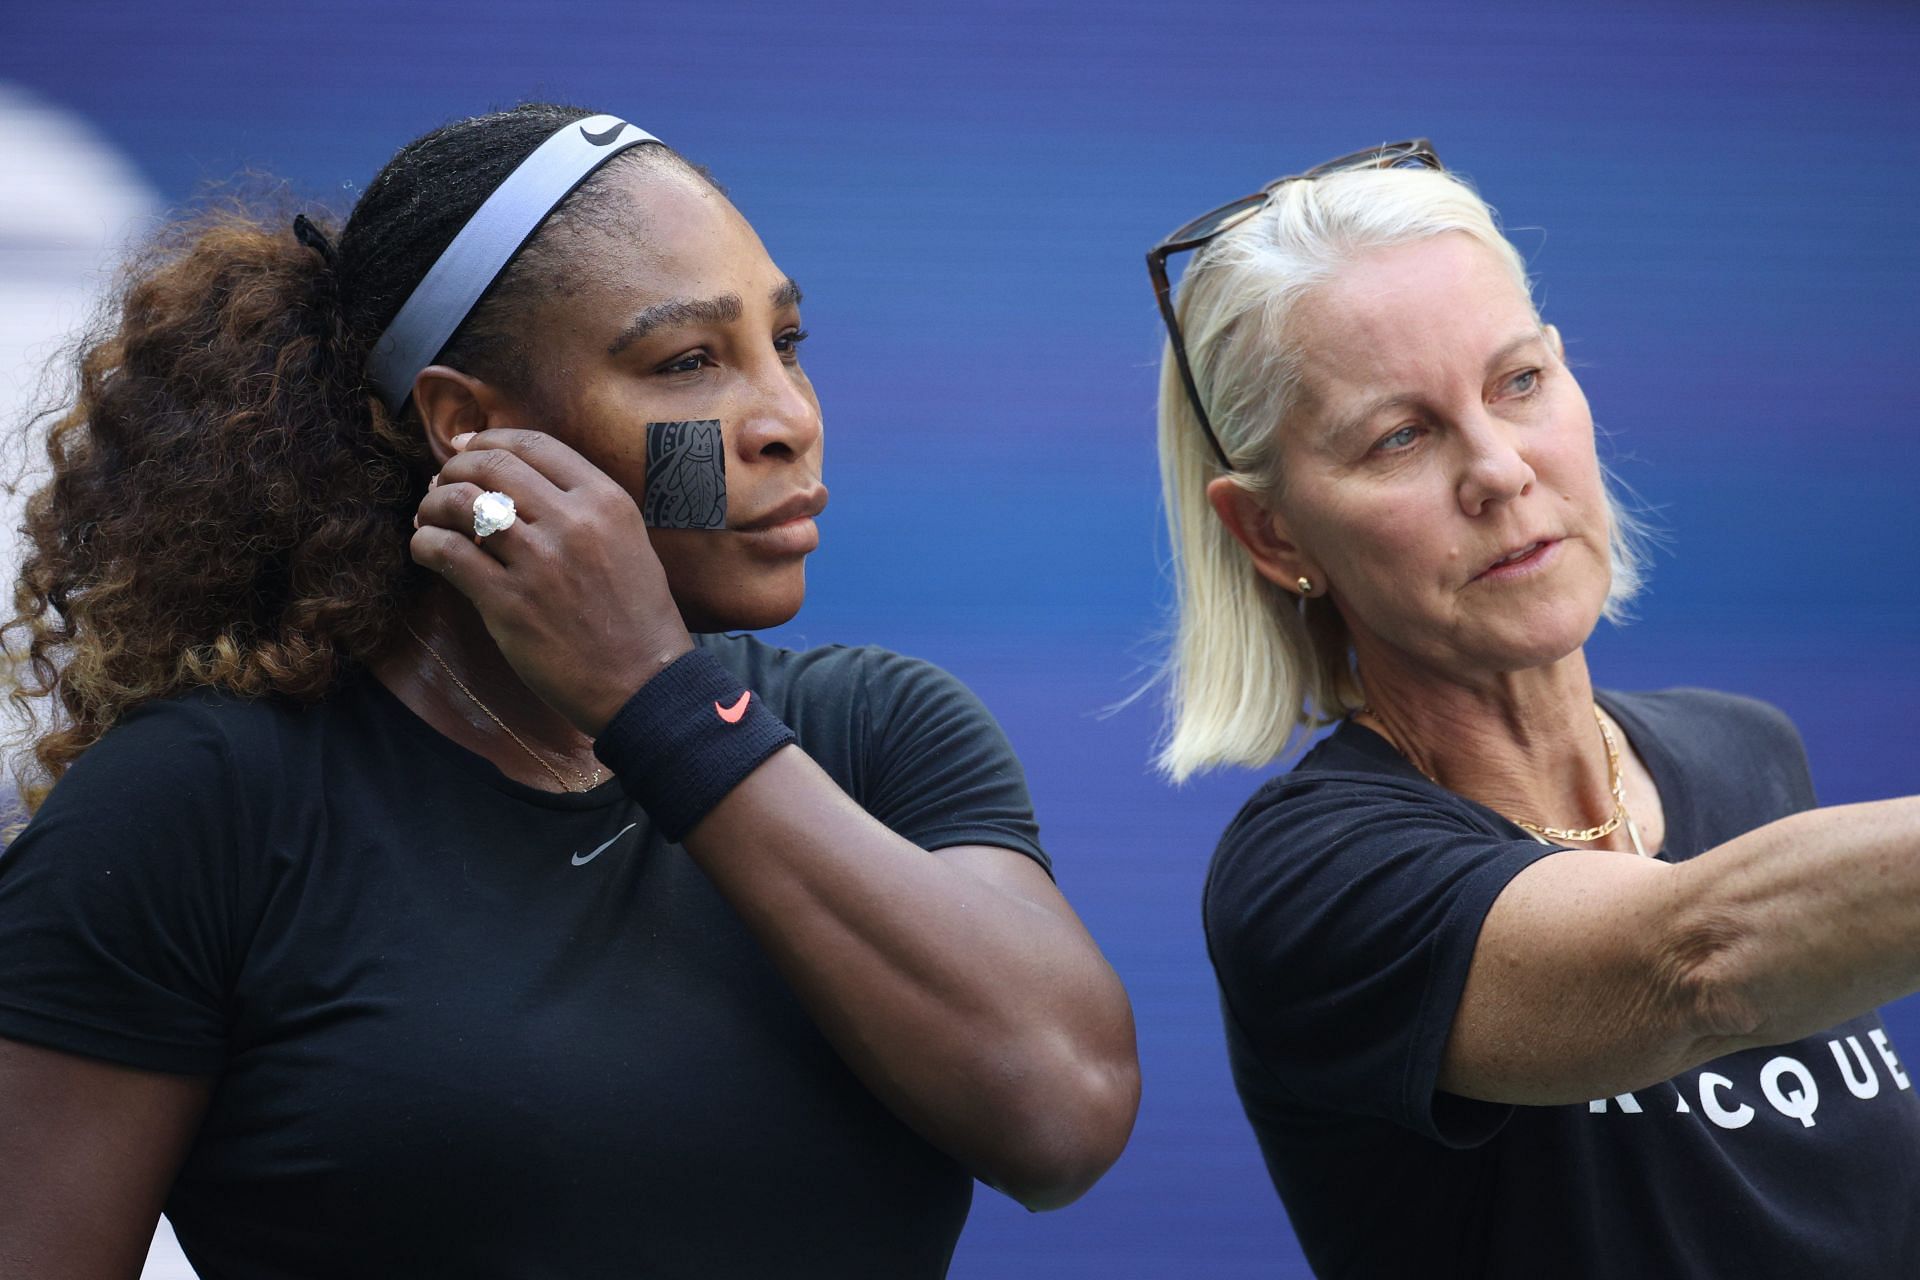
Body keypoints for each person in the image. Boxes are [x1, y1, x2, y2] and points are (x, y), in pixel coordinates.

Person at [0, 103, 1139, 1279]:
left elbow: (1059, 1115)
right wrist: (645, 681)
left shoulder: (876, 730)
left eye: (787, 342)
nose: (789, 420)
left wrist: (659, 700)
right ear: (471, 428)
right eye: (689, 361)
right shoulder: (205, 802)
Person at [1147, 140, 1920, 1277]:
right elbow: (1699, 959)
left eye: (1519, 382)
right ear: (1271, 532)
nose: (1500, 468)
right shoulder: (1306, 873)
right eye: (1399, 435)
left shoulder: (1746, 747)